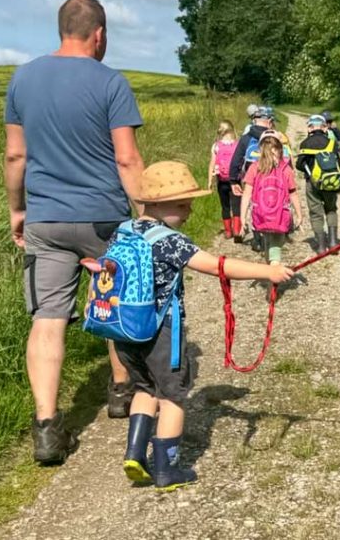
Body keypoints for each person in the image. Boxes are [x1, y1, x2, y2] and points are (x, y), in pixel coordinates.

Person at [92, 161, 293, 490]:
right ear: (156, 205)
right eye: (181, 205)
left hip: (125, 329)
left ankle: (134, 454)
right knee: (172, 397)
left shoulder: (124, 230)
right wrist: (267, 272)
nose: (188, 211)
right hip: (161, 332)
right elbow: (217, 266)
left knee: (144, 389)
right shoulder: (171, 241)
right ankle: (166, 470)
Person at [4, 0, 142, 465]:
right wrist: (142, 215)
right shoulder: (112, 83)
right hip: (104, 216)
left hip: (46, 218)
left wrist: (16, 210)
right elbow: (126, 157)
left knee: (48, 319)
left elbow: (15, 156)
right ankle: (122, 389)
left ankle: (47, 427)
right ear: (98, 34)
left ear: (61, 28)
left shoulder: (23, 78)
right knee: (113, 301)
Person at [240, 132, 303, 264]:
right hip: (280, 215)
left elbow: (246, 194)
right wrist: (299, 214)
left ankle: (271, 266)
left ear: (260, 150)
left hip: (261, 214)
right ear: (280, 150)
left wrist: (242, 218)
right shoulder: (286, 169)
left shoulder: (254, 168)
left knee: (268, 239)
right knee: (276, 244)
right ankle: (274, 270)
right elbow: (293, 193)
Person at [229, 106, 275, 248]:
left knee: (253, 205)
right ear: (270, 121)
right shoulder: (275, 136)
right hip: (272, 179)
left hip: (251, 179)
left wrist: (233, 180)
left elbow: (236, 160)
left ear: (254, 121)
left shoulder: (245, 138)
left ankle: (257, 238)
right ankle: (272, 232)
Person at [296, 114, 340, 252]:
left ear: (310, 128)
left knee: (316, 213)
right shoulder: (332, 143)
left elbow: (299, 165)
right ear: (324, 128)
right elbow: (338, 162)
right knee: (331, 209)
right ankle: (334, 242)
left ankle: (321, 246)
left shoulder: (305, 143)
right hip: (330, 182)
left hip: (312, 183)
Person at [206, 120, 239, 238]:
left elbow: (212, 163)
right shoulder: (238, 145)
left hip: (222, 181)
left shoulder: (216, 146)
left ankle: (228, 231)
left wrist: (210, 180)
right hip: (235, 180)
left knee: (225, 206)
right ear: (232, 130)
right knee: (236, 205)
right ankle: (236, 230)